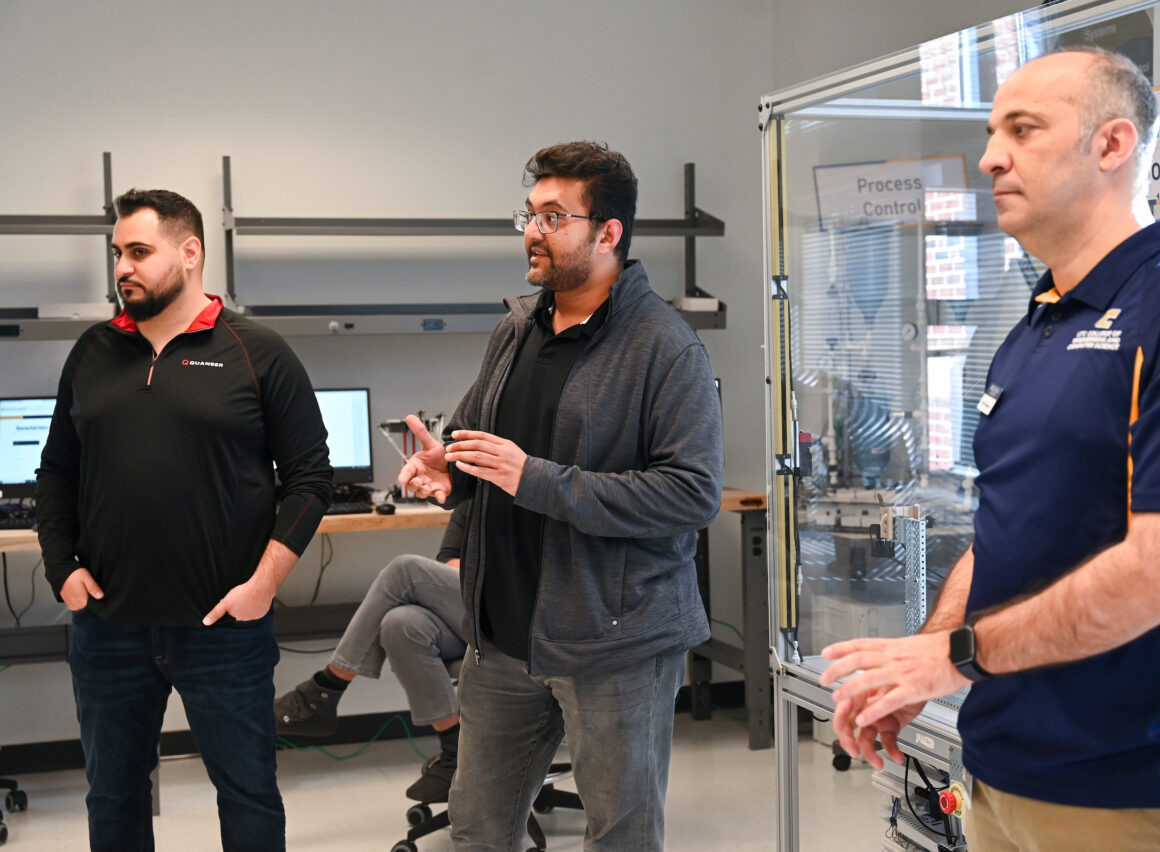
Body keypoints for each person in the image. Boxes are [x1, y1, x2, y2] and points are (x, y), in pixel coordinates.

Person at [819, 47, 1160, 851]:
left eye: (1023, 129)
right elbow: (1002, 534)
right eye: (993, 133)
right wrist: (925, 658)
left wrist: (957, 657)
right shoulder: (1036, 324)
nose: (991, 158)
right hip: (1002, 774)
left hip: (1141, 792)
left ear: (1112, 145)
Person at [397, 140, 724, 850]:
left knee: (620, 837)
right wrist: (452, 473)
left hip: (614, 646)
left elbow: (692, 494)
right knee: (478, 831)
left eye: (553, 216)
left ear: (608, 234)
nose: (533, 232)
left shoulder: (665, 346)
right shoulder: (517, 329)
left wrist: (536, 478)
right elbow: (481, 443)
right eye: (530, 214)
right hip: (503, 639)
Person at [36, 189, 333, 852]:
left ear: (190, 252)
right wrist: (63, 571)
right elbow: (55, 473)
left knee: (249, 796)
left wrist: (262, 585)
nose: (122, 267)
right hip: (108, 627)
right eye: (118, 252)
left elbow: (311, 479)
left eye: (139, 251)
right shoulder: (92, 352)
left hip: (223, 628)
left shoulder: (257, 350)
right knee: (113, 797)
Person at [274, 505, 469, 803]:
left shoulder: (529, 488)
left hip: (522, 617)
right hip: (472, 614)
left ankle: (323, 690)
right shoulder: (477, 493)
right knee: (400, 623)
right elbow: (448, 558)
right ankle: (455, 753)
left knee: (404, 570)